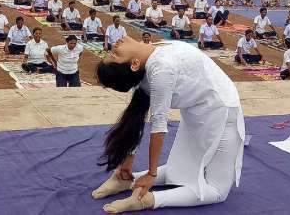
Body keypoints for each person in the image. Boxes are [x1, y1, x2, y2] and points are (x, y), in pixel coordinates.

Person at [93, 36, 245, 214]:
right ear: (134, 64)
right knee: (217, 191)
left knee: (176, 171)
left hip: (204, 109)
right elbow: (156, 124)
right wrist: (149, 173)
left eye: (111, 52)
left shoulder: (150, 59)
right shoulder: (160, 67)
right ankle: (147, 200)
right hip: (221, 109)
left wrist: (134, 169)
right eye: (115, 54)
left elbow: (136, 117)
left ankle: (128, 181)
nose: (115, 45)